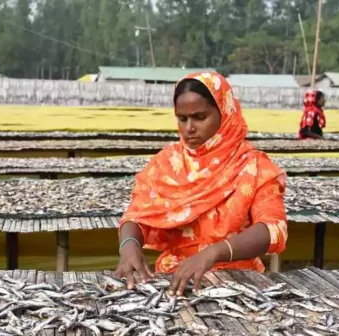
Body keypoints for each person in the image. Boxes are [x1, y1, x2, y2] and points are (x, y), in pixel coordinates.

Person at [115, 71, 288, 296]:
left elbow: (274, 229)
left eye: (200, 117)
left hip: (240, 284)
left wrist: (213, 253)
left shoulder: (253, 166)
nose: (189, 128)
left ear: (224, 113)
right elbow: (136, 217)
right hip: (175, 283)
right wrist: (129, 247)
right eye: (182, 118)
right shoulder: (167, 163)